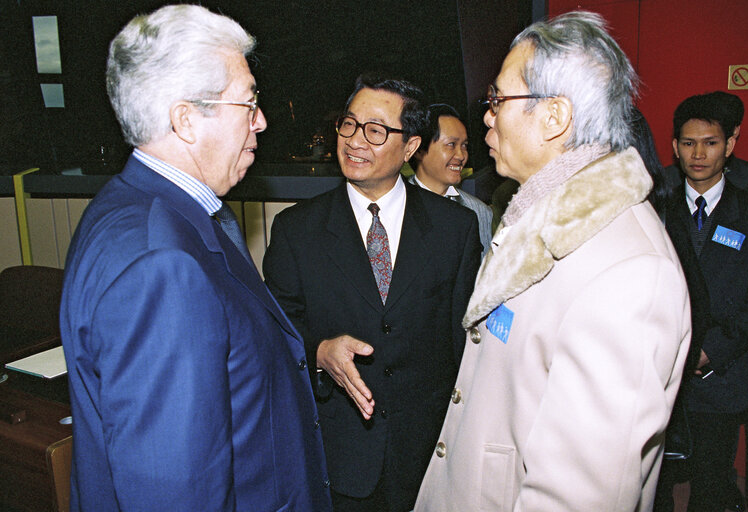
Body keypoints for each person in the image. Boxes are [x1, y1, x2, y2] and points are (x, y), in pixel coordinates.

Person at [414, 11, 691, 511]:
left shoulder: (628, 272)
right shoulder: (538, 220)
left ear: (555, 117)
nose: (487, 115)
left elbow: (581, 496)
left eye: (499, 99)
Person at [59, 5, 331, 511]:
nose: (263, 121)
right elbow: (174, 493)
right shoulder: (163, 266)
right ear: (186, 119)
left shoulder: (131, 206)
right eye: (249, 103)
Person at [263, 74, 482, 512]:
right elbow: (274, 335)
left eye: (376, 130)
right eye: (349, 124)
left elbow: (465, 346)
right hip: (338, 462)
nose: (355, 141)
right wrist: (320, 350)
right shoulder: (297, 230)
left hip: (429, 462)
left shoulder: (453, 229)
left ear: (411, 147)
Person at [662, 93, 748, 512]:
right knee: (654, 487)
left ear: (730, 145)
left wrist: (711, 350)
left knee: (711, 483)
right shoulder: (657, 208)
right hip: (661, 371)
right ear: (674, 147)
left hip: (722, 375)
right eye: (688, 143)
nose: (698, 153)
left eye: (710, 142)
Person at [409, 103, 493, 257]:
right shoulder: (394, 204)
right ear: (418, 149)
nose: (461, 156)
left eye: (464, 146)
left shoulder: (478, 211)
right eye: (451, 145)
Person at [665, 91, 748, 190]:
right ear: (676, 147)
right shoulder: (663, 182)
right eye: (689, 143)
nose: (698, 155)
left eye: (710, 143)